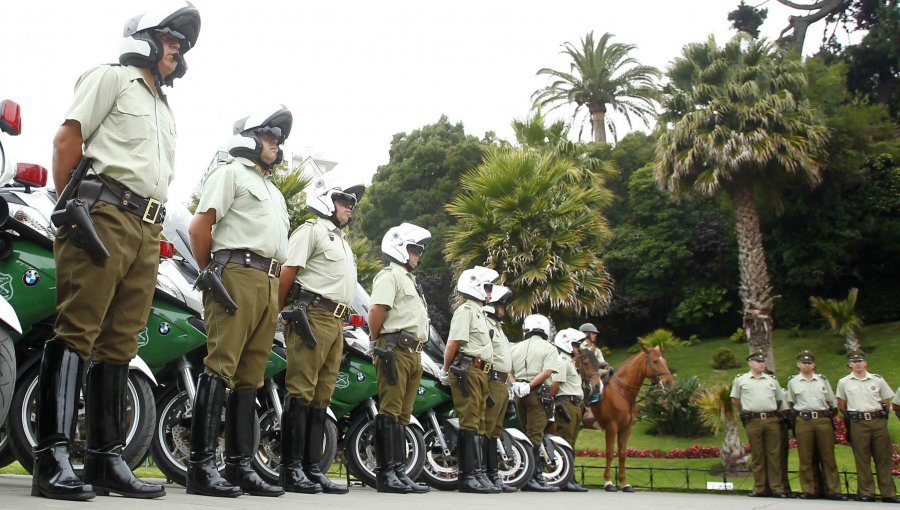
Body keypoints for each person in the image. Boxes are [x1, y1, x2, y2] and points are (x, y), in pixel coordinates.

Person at [32, 1, 200, 500]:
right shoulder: (111, 77)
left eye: (181, 44)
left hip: (148, 230)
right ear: (143, 39)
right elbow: (68, 142)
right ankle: (52, 458)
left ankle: (105, 460)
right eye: (171, 39)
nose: (178, 48)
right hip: (102, 214)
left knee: (123, 343)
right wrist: (71, 209)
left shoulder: (165, 107)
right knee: (77, 329)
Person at [185, 106, 293, 498]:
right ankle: (200, 466)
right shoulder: (229, 172)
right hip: (235, 274)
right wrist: (208, 273)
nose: (276, 144)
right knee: (220, 367)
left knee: (251, 377)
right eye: (269, 136)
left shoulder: (273, 190)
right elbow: (201, 225)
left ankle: (240, 466)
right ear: (247, 137)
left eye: (278, 139)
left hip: (267, 281)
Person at [276, 174, 364, 494]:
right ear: (326, 199)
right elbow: (288, 273)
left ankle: (312, 469)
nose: (350, 208)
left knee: (321, 396)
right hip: (311, 315)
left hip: (336, 323)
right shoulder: (310, 231)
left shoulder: (341, 241)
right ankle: (291, 469)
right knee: (300, 390)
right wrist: (276, 313)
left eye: (352, 203)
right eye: (345, 201)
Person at [367, 222, 432, 494]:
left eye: (419, 249)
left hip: (413, 353)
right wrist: (374, 341)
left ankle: (398, 471)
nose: (418, 254)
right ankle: (386, 474)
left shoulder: (409, 279)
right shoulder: (389, 276)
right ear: (399, 247)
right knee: (390, 411)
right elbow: (377, 310)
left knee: (403, 416)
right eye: (414, 248)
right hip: (395, 350)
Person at [440, 265, 499, 494]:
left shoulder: (479, 313)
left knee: (480, 421)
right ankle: (467, 476)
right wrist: (446, 370)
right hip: (469, 369)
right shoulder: (465, 311)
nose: (489, 292)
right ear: (474, 286)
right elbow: (453, 343)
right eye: (486, 287)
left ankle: (478, 473)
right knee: (470, 420)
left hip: (480, 371)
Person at [835, 349, 898, 503]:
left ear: (865, 363)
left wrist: (881, 416)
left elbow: (886, 400)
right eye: (854, 362)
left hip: (877, 420)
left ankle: (888, 493)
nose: (857, 364)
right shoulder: (844, 382)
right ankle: (866, 492)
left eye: (860, 361)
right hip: (858, 422)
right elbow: (842, 405)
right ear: (849, 365)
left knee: (883, 457)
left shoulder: (877, 380)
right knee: (861, 457)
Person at [510, 314, 561, 493]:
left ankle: (528, 476)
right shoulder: (549, 348)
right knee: (535, 436)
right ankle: (534, 478)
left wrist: (515, 383)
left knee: (527, 433)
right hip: (537, 393)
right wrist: (530, 386)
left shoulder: (516, 348)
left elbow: (508, 369)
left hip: (519, 394)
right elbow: (547, 372)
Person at [785, 350, 845, 501]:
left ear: (814, 365)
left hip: (823, 419)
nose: (807, 365)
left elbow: (831, 401)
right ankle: (810, 489)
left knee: (828, 456)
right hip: (803, 420)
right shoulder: (793, 381)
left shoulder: (822, 380)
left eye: (809, 363)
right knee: (806, 457)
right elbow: (790, 402)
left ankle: (833, 489)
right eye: (804, 363)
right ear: (798, 364)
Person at [730, 350, 787, 498]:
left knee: (774, 454)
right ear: (750, 363)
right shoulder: (741, 380)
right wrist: (747, 410)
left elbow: (779, 399)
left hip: (771, 419)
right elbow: (735, 399)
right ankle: (759, 487)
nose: (761, 364)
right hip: (753, 420)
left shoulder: (771, 380)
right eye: (758, 361)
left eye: (762, 362)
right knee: (757, 454)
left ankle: (777, 488)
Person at [482, 285, 516, 493]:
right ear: (493, 306)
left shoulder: (497, 326)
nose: (504, 310)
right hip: (492, 380)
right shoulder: (487, 325)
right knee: (487, 428)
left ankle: (493, 475)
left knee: (495, 431)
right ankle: (485, 474)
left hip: (502, 382)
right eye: (501, 305)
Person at [551, 328, 589, 492]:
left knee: (570, 442)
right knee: (565, 442)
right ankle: (565, 478)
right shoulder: (563, 361)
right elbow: (555, 386)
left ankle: (569, 477)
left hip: (574, 404)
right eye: (575, 345)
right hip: (566, 404)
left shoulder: (568, 361)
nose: (577, 348)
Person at [578, 322, 608, 402]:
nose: (596, 335)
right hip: (585, 373)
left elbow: (602, 362)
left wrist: (606, 367)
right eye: (593, 333)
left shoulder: (597, 350)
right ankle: (593, 399)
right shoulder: (580, 348)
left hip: (596, 370)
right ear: (586, 334)